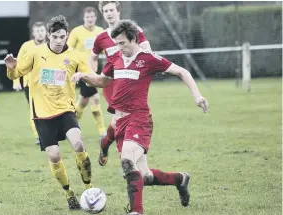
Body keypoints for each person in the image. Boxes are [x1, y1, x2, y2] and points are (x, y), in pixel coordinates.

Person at [72, 20, 209, 215]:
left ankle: (136, 211)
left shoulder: (148, 58)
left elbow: (181, 71)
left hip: (139, 119)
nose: (118, 48)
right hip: (119, 121)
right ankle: (180, 179)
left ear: (134, 39)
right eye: (116, 44)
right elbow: (102, 81)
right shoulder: (116, 58)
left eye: (122, 43)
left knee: (127, 161)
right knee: (145, 176)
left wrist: (197, 95)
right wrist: (83, 76)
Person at [5, 15, 94, 211]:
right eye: (55, 37)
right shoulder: (35, 53)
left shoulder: (75, 55)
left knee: (78, 143)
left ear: (67, 35)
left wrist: (86, 76)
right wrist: (11, 69)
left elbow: (91, 77)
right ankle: (69, 194)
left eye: (62, 36)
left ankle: (89, 189)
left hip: (65, 109)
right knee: (54, 156)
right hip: (43, 114)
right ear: (48, 35)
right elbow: (17, 72)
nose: (58, 40)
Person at [90, 1, 152, 167]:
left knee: (118, 121)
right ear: (102, 14)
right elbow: (93, 56)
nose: (109, 13)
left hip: (132, 82)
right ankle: (124, 158)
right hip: (112, 85)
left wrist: (147, 62)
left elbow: (146, 48)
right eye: (105, 11)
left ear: (118, 11)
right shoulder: (101, 37)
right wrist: (93, 72)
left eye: (111, 10)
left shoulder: (134, 30)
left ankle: (105, 143)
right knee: (119, 119)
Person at [67, 6, 107, 138]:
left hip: (95, 69)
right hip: (81, 71)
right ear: (84, 18)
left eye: (92, 17)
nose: (90, 19)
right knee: (94, 98)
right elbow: (68, 49)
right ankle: (102, 131)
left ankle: (72, 127)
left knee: (83, 101)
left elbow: (104, 50)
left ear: (95, 18)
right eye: (87, 17)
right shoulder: (77, 32)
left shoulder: (100, 31)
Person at [12, 22, 47, 145]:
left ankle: (50, 132)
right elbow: (17, 64)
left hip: (47, 84)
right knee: (34, 110)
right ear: (33, 33)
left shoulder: (51, 46)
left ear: (46, 32)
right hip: (30, 84)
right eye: (37, 31)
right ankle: (38, 135)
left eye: (42, 30)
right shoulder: (26, 46)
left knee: (49, 109)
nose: (40, 33)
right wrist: (16, 81)